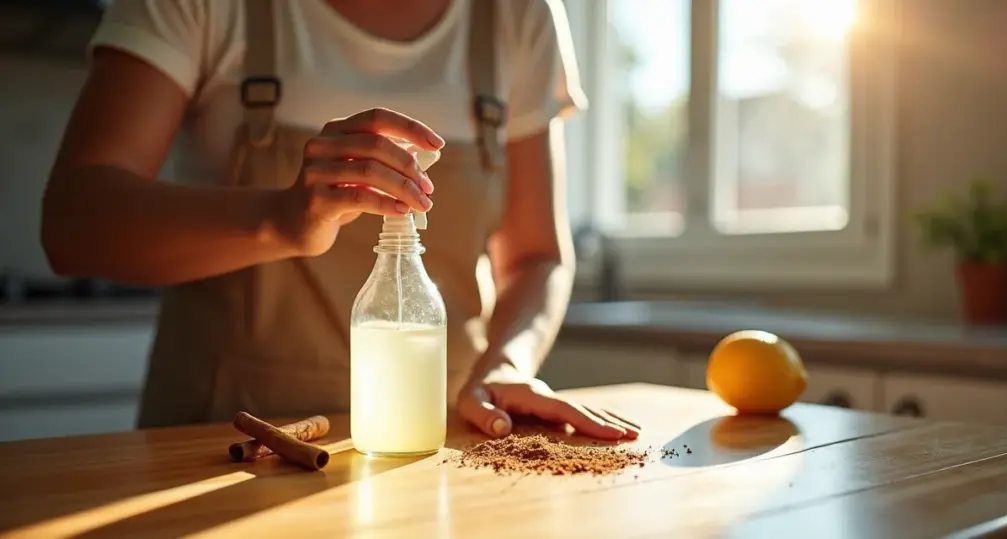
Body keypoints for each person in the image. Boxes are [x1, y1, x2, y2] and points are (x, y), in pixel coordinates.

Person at [41, 0, 640, 441]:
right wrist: (282, 218)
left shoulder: (518, 15)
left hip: (441, 446)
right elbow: (73, 223)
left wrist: (506, 366)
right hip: (219, 448)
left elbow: (536, 255)